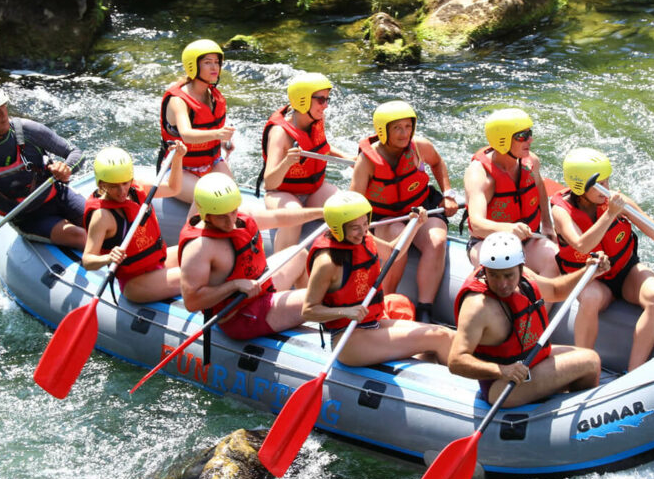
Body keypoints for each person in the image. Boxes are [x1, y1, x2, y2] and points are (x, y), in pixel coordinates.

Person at [550, 148, 654, 371]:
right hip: (593, 280)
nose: (606, 189)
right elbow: (581, 245)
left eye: (607, 182)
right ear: (581, 186)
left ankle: (634, 370)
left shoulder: (618, 202)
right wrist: (609, 215)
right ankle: (583, 367)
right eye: (600, 185)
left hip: (625, 272)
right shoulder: (562, 212)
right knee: (588, 298)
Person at [449, 232, 606, 406]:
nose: (502, 284)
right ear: (484, 270)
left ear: (521, 268)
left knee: (585, 357)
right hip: (502, 385)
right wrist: (501, 371)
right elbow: (456, 361)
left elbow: (555, 291)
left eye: (508, 275)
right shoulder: (477, 306)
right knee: (590, 362)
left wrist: (589, 272)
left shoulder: (525, 278)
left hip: (530, 362)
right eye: (494, 275)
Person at [302, 191, 454, 367]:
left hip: (372, 324)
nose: (362, 232)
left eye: (365, 223)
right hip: (348, 339)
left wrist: (415, 225)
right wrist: (345, 312)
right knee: (439, 337)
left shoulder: (363, 238)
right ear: (338, 227)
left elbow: (392, 253)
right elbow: (308, 311)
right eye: (355, 228)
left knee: (446, 334)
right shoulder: (327, 262)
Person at [0, 84, 86, 266]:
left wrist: (67, 168)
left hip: (58, 195)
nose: (3, 114)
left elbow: (76, 153)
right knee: (80, 236)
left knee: (107, 224)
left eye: (3, 106)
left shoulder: (28, 130)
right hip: (27, 217)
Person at [179, 172, 326, 340]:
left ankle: (314, 315)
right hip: (240, 315)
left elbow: (279, 217)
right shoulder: (199, 248)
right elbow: (192, 302)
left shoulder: (240, 218)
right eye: (222, 217)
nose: (230, 221)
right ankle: (315, 307)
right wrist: (234, 285)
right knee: (321, 294)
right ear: (205, 214)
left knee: (299, 254)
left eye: (232, 212)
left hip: (260, 288)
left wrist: (322, 212)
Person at [349, 100, 459, 323]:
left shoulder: (420, 146)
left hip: (420, 208)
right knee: (399, 235)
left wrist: (448, 194)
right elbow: (355, 200)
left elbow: (437, 163)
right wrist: (361, 232)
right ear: (383, 130)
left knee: (437, 241)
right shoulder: (366, 161)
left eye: (408, 127)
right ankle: (387, 300)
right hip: (385, 217)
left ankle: (424, 309)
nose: (404, 133)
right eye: (397, 128)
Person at [258, 72, 353, 255]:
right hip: (281, 193)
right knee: (293, 216)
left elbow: (320, 147)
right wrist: (287, 162)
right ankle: (280, 275)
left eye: (327, 100)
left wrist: (346, 158)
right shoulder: (280, 133)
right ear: (303, 100)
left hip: (312, 189)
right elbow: (269, 182)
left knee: (345, 207)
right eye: (320, 100)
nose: (325, 106)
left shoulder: (316, 118)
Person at [81, 144, 187, 304]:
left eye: (125, 183)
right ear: (101, 184)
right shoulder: (102, 216)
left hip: (158, 261)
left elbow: (173, 188)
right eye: (114, 186)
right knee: (197, 273)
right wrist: (108, 258)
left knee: (198, 249)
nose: (122, 190)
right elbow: (88, 261)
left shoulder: (138, 189)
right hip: (135, 282)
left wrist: (178, 158)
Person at [463, 108, 558, 277]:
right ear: (503, 140)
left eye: (530, 133)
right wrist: (507, 228)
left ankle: (541, 304)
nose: (530, 139)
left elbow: (540, 188)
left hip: (528, 239)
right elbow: (477, 224)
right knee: (513, 273)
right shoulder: (480, 175)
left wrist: (547, 224)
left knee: (554, 259)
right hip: (489, 243)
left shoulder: (531, 162)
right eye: (522, 136)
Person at [159, 38, 236, 206]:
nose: (214, 67)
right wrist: (218, 133)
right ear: (193, 65)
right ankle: (192, 231)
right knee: (210, 200)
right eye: (208, 62)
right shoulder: (178, 100)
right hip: (179, 168)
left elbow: (211, 129)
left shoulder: (213, 96)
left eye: (217, 62)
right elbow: (186, 135)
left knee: (233, 199)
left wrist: (223, 142)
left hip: (211, 161)